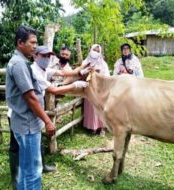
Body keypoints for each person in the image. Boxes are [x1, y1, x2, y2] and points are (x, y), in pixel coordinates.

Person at [7, 44, 89, 189]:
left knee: (33, 148)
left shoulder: (43, 69)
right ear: (35, 56)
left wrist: (82, 69)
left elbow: (63, 74)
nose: (47, 58)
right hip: (19, 115)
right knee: (17, 150)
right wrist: (75, 85)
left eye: (49, 56)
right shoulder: (34, 71)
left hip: (32, 115)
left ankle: (38, 168)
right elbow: (53, 90)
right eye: (43, 55)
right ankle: (16, 179)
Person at [6, 25, 55, 190]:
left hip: (24, 123)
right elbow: (31, 98)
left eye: (36, 43)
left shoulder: (20, 62)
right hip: (27, 125)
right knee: (33, 170)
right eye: (32, 43)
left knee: (26, 168)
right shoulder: (19, 64)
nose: (35, 46)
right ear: (20, 43)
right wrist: (48, 121)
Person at [82, 44, 110, 136]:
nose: (96, 52)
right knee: (91, 108)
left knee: (101, 108)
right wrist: (88, 71)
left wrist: (98, 73)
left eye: (98, 51)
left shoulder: (103, 63)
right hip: (89, 88)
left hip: (100, 89)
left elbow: (107, 76)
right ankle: (92, 127)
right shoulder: (85, 62)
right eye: (94, 50)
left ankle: (102, 128)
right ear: (91, 50)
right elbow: (80, 73)